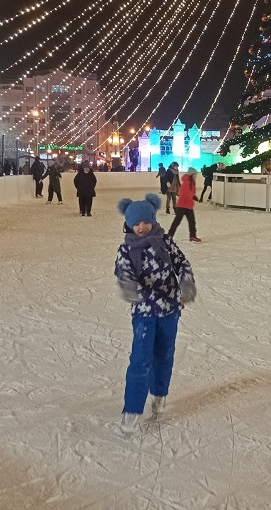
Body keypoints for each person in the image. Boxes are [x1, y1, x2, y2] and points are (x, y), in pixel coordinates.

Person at [114, 193, 197, 434]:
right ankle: (132, 408)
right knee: (140, 359)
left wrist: (186, 283)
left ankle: (159, 394)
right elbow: (123, 272)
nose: (142, 228)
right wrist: (128, 285)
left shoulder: (165, 241)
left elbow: (182, 263)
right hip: (144, 311)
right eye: (136, 224)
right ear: (129, 224)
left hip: (170, 309)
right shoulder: (126, 249)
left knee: (164, 354)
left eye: (146, 222)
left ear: (153, 219)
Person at [168, 167, 201, 242]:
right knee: (177, 222)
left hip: (189, 205)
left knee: (192, 222)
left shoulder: (192, 182)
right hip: (182, 206)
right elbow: (185, 192)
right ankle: (169, 235)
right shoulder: (187, 182)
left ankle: (192, 236)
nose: (196, 176)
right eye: (194, 174)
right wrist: (193, 196)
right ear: (191, 174)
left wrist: (193, 196)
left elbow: (191, 192)